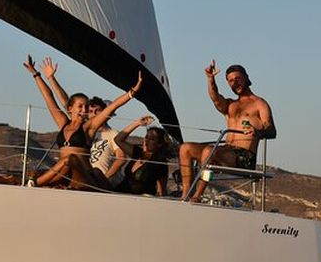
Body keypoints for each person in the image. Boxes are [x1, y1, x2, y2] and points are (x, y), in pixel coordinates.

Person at [23, 55, 141, 189]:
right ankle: (31, 182)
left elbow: (112, 107)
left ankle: (34, 183)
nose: (84, 110)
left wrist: (132, 93)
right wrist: (36, 74)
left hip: (84, 175)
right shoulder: (63, 123)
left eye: (86, 106)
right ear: (70, 108)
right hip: (64, 173)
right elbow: (48, 97)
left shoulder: (89, 128)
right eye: (80, 106)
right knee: (63, 163)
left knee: (70, 159)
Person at [178, 61, 276, 201]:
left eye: (238, 78)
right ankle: (186, 194)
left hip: (244, 157)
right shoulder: (230, 105)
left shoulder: (260, 104)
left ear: (246, 78)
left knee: (208, 152)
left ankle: (197, 196)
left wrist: (258, 132)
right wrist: (210, 79)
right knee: (185, 148)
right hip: (225, 151)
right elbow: (215, 98)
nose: (235, 83)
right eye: (230, 81)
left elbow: (272, 130)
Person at [113, 115, 171, 196]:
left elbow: (161, 190)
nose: (146, 141)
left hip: (140, 200)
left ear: (159, 144)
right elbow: (118, 140)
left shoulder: (160, 163)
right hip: (120, 193)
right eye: (146, 137)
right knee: (96, 174)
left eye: (152, 139)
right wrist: (137, 123)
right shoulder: (137, 153)